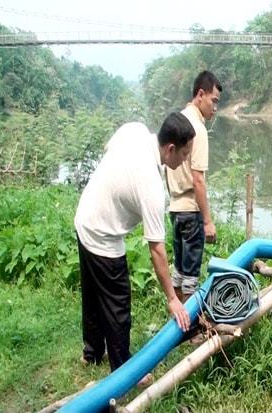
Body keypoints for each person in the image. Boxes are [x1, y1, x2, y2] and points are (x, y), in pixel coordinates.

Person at [74, 112, 194, 378]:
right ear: (171, 148)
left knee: (93, 295)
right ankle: (124, 371)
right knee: (118, 305)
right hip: (103, 234)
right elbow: (156, 249)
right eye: (184, 154)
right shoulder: (151, 186)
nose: (185, 160)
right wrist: (173, 299)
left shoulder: (135, 130)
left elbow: (108, 148)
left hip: (84, 217)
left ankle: (91, 354)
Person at [166, 70, 223, 303]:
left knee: (179, 272)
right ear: (201, 94)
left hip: (174, 209)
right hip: (190, 211)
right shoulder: (197, 130)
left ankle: (177, 323)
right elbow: (198, 179)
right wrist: (207, 221)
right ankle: (191, 330)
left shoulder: (177, 121)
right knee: (190, 277)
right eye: (214, 101)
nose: (215, 108)